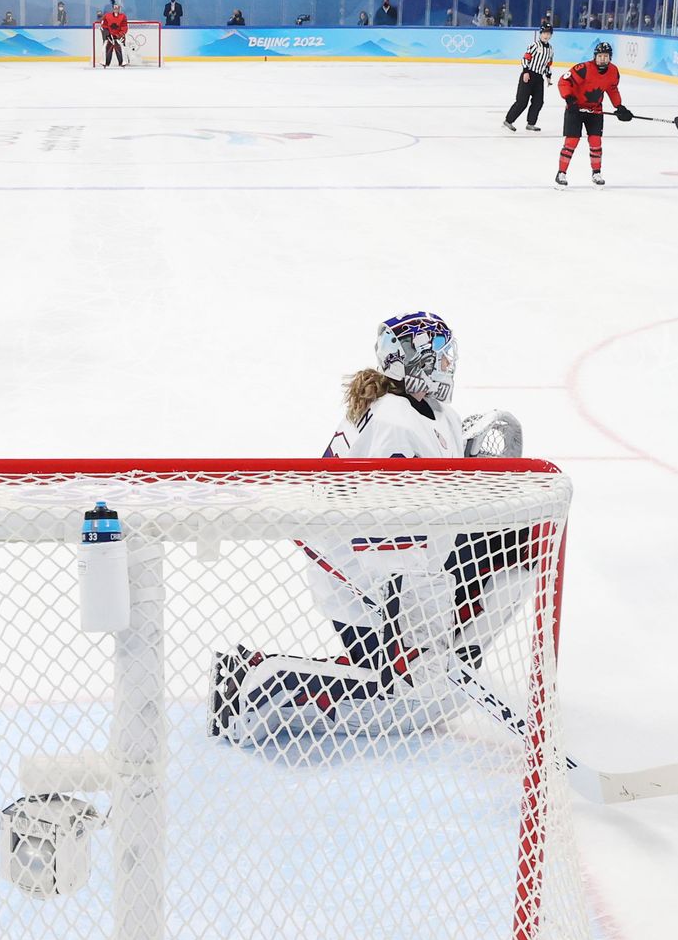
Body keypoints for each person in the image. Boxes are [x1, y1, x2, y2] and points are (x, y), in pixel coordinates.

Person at [211, 312, 531, 743]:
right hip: (356, 575)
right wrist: (417, 630)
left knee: (517, 542)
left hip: (393, 568)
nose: (448, 364)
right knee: (399, 695)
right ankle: (255, 682)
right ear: (409, 360)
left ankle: (432, 656)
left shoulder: (434, 412)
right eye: (438, 355)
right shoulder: (393, 424)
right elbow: (384, 536)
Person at [555, 40, 629, 188]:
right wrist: (570, 100)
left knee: (596, 142)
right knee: (571, 142)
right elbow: (563, 82)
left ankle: (596, 173)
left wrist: (619, 107)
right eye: (600, 56)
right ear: (595, 56)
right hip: (575, 109)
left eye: (606, 56)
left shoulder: (613, 72)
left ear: (610, 57)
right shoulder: (583, 68)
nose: (603, 59)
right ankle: (561, 173)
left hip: (595, 110)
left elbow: (612, 90)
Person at [502, 24, 554, 131]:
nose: (546, 35)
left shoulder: (550, 50)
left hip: (539, 78)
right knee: (522, 102)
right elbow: (525, 58)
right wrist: (525, 71)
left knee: (538, 102)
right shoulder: (534, 45)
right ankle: (508, 120)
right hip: (529, 75)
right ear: (540, 34)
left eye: (548, 33)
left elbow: (548, 64)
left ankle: (531, 123)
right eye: (544, 33)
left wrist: (548, 77)